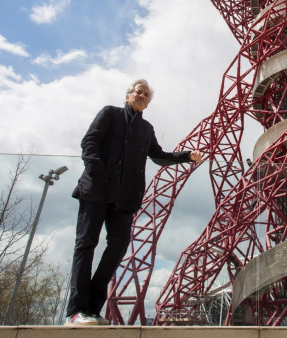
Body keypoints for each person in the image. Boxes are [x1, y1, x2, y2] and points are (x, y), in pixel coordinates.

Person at [65, 79, 202, 326]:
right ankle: (76, 309)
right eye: (138, 92)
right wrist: (98, 172)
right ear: (128, 95)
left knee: (118, 245)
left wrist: (185, 157)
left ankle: (92, 308)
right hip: (96, 190)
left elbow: (158, 156)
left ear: (148, 102)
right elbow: (89, 142)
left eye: (146, 94)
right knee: (86, 244)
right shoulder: (110, 113)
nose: (142, 96)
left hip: (125, 197)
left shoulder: (146, 129)